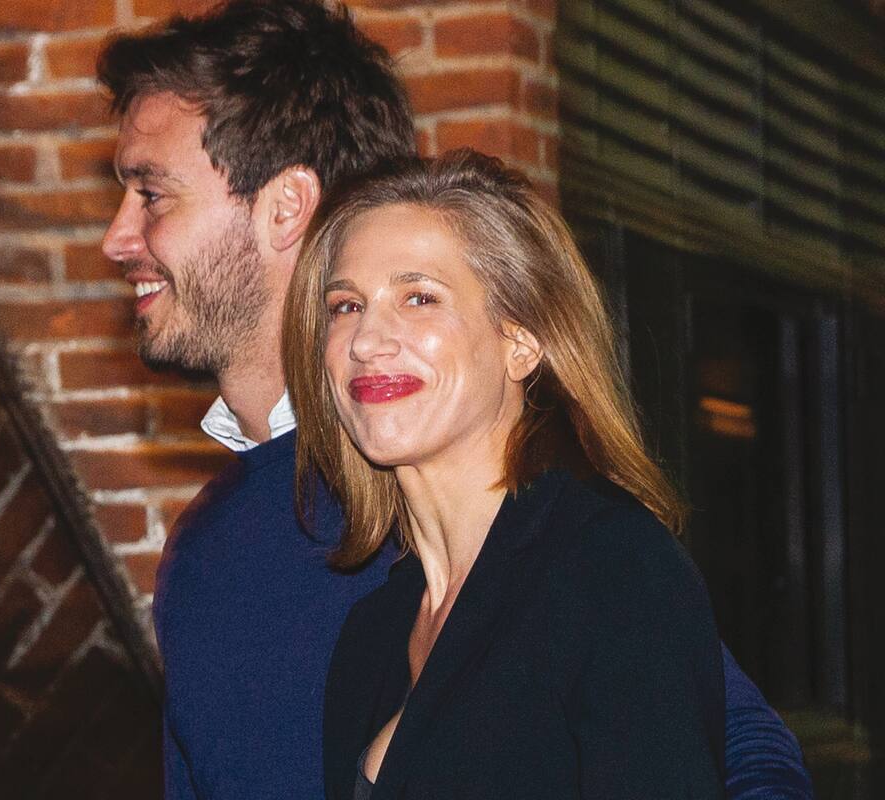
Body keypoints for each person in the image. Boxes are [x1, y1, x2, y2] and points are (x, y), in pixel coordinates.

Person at [94, 2, 813, 798]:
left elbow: (737, 747)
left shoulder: (502, 500)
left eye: (151, 193)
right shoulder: (218, 548)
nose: (116, 238)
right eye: (348, 306)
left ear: (285, 207)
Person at [285, 149, 719, 798]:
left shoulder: (614, 573)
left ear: (521, 340)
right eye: (346, 306)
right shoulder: (372, 630)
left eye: (419, 297)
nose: (368, 340)